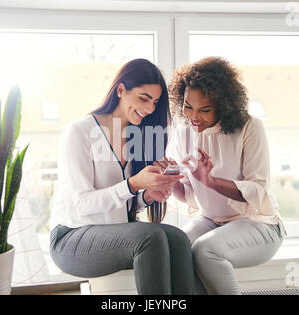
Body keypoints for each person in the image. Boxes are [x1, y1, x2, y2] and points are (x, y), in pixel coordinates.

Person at [49, 58, 195, 295]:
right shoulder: (79, 132)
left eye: (155, 102)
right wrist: (135, 183)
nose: (149, 109)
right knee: (150, 236)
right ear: (120, 90)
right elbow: (83, 203)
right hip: (72, 237)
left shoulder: (135, 135)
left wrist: (147, 195)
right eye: (143, 98)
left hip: (113, 230)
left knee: (178, 239)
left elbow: (121, 206)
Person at [155, 56, 286, 295]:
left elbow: (257, 191)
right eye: (188, 106)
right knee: (176, 246)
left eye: (205, 110)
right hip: (211, 221)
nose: (194, 116)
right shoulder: (184, 132)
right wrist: (169, 178)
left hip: (258, 224)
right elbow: (187, 196)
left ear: (223, 105)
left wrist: (210, 181)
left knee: (206, 249)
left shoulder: (249, 127)